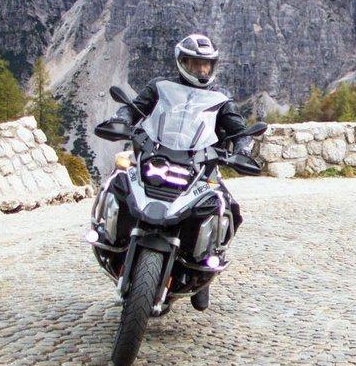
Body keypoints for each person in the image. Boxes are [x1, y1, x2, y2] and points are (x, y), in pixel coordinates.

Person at [95, 33, 249, 246]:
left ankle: (210, 252)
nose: (203, 70)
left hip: (200, 163)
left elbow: (238, 130)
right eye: (197, 64)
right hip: (156, 153)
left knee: (229, 207)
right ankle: (108, 230)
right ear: (183, 62)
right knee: (118, 179)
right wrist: (122, 118)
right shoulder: (160, 86)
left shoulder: (222, 101)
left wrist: (243, 147)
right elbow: (135, 108)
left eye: (207, 65)